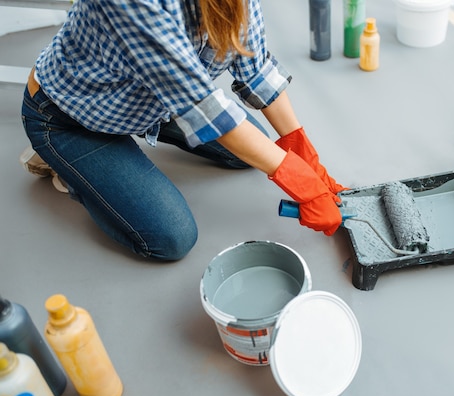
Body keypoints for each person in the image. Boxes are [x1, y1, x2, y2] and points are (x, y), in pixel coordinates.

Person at [20, 0, 346, 260]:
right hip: (71, 114)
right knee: (171, 237)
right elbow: (204, 108)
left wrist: (300, 149)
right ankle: (66, 164)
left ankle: (118, 147)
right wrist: (303, 185)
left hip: (156, 100)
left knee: (251, 153)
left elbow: (254, 65)